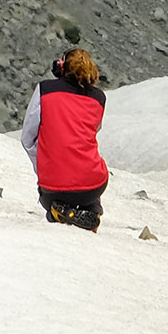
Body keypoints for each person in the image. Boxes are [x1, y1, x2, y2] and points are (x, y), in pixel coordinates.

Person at [18, 47, 108, 231]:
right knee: (92, 174)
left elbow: (28, 138)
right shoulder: (99, 98)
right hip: (92, 188)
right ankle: (93, 212)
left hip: (53, 189)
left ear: (60, 66)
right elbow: (92, 131)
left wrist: (45, 162)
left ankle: (57, 212)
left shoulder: (45, 89)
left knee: (52, 196)